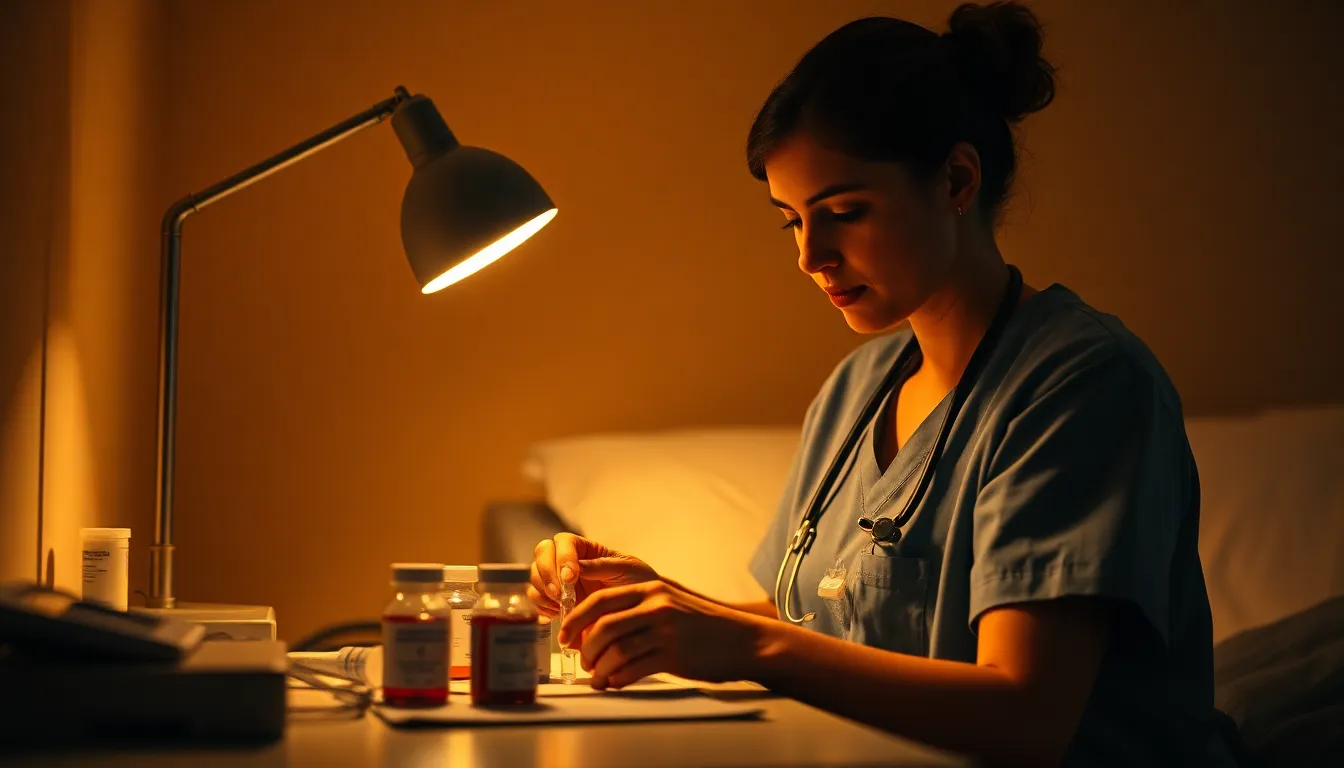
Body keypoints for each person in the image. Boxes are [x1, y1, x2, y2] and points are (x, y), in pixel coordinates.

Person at [528, 3, 1241, 765]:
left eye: (843, 212)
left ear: (957, 180)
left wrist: (740, 644)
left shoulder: (1081, 384)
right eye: (791, 222)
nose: (811, 256)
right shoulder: (859, 386)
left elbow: (1026, 714)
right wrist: (651, 600)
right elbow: (811, 625)